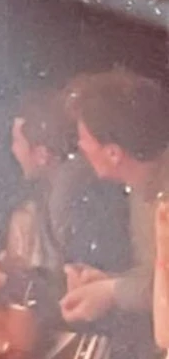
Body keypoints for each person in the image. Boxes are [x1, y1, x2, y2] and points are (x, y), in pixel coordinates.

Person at [61, 70, 169, 326]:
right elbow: (154, 275)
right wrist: (108, 282)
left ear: (113, 153)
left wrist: (112, 292)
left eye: (84, 138)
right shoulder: (142, 187)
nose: (80, 146)